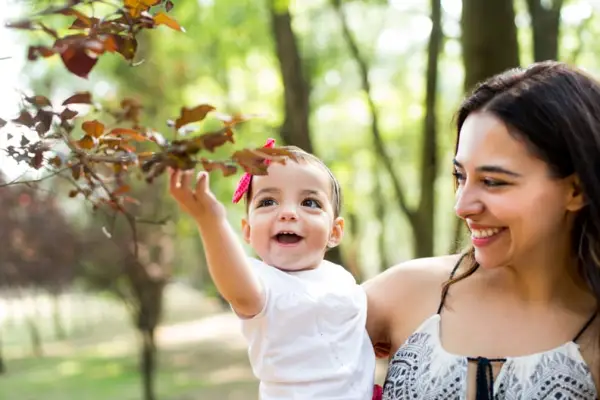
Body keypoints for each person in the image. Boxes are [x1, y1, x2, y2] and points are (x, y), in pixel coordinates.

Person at [365, 61, 600, 399]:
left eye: (493, 181)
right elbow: (284, 319)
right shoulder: (404, 293)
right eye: (460, 176)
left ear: (576, 190)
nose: (462, 205)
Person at [169, 139, 376, 400]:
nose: (288, 213)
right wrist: (211, 221)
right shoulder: (261, 283)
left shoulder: (341, 277)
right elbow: (237, 289)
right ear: (247, 231)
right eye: (268, 202)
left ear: (334, 232)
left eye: (310, 203)